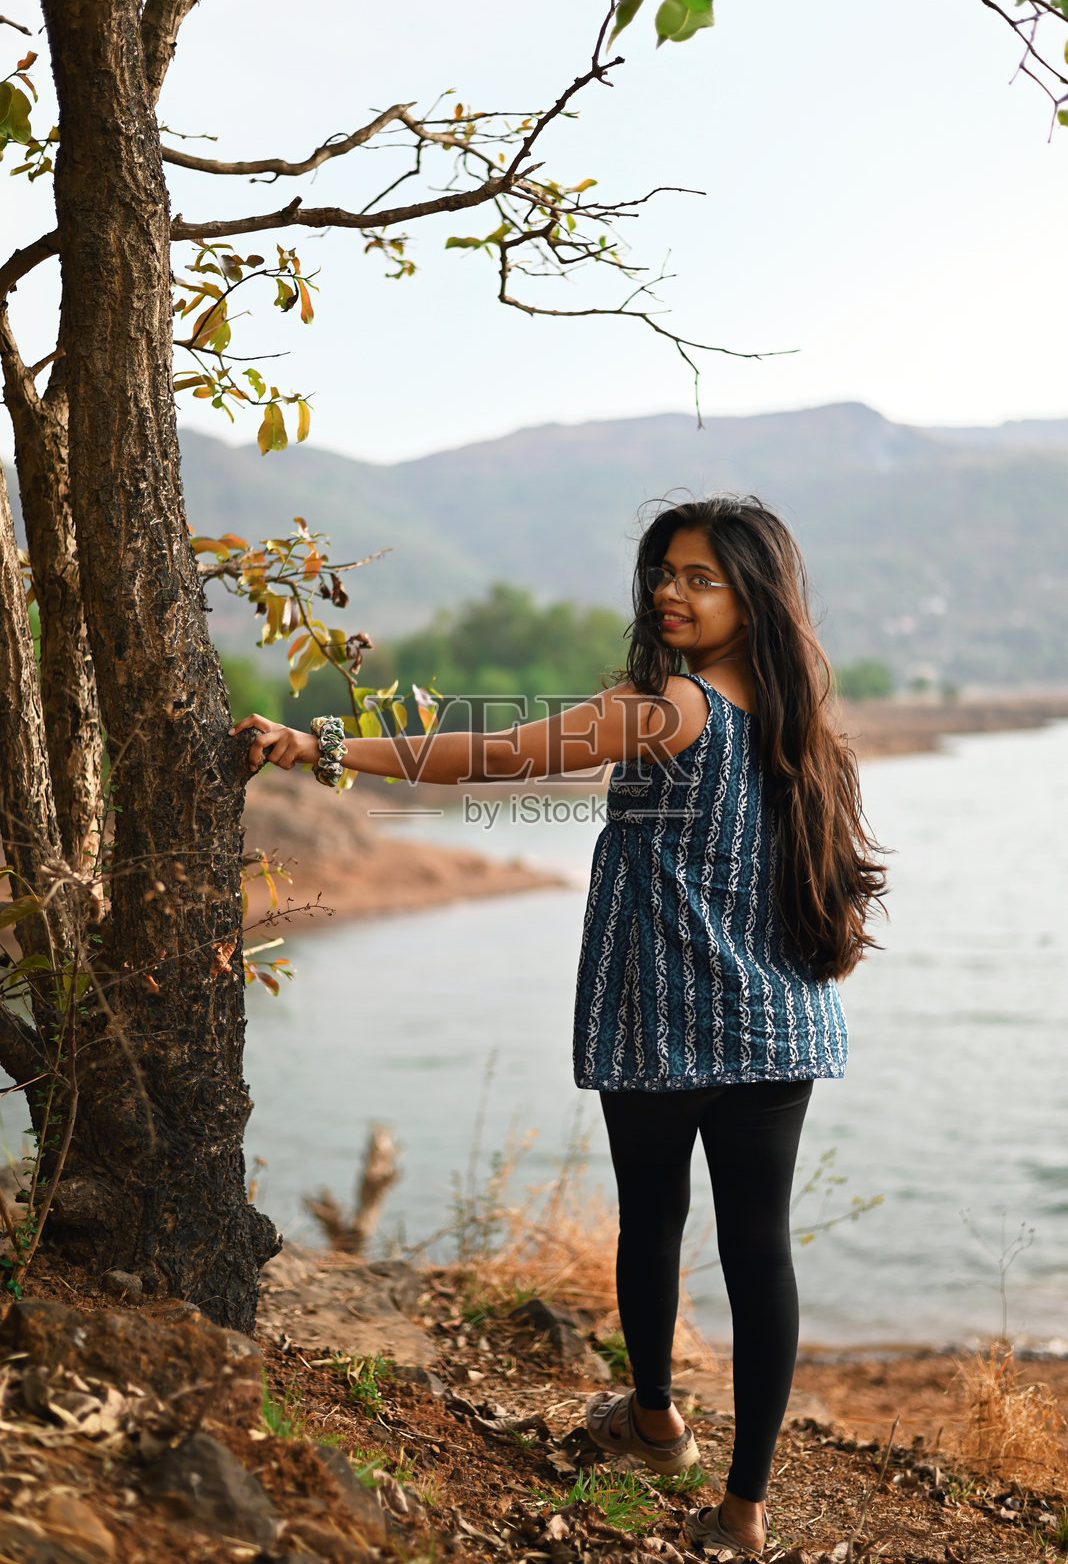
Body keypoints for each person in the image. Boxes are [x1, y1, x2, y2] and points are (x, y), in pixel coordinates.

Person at [233, 493, 886, 1557]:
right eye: (665, 572)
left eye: (701, 577)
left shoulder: (669, 707)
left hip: (669, 1024)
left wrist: (323, 745)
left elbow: (494, 753)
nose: (672, 592)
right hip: (779, 1024)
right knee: (758, 1253)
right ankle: (742, 1511)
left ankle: (659, 1423)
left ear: (752, 593)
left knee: (654, 1223)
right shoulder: (797, 712)